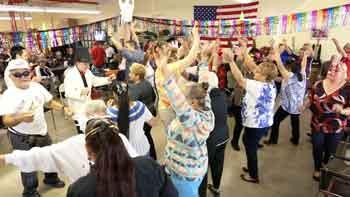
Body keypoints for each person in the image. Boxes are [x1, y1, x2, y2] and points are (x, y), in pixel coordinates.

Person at [0, 59, 67, 197]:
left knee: (48, 156)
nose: (23, 77)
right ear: (11, 77)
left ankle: (51, 178)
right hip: (21, 136)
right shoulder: (8, 95)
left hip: (41, 131)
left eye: (25, 73)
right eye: (17, 75)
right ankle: (30, 191)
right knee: (27, 163)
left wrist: (63, 108)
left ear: (30, 73)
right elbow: (6, 121)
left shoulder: (36, 87)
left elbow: (48, 102)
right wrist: (20, 118)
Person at [156, 43, 215, 197]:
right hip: (190, 166)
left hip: (185, 176)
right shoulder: (205, 106)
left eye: (186, 98)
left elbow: (178, 102)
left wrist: (165, 71)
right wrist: (203, 61)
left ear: (193, 103)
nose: (183, 99)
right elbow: (204, 84)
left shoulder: (193, 120)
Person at [66, 118, 178, 197]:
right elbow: (172, 194)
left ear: (88, 149)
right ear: (120, 142)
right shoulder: (148, 166)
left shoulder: (79, 191)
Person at [222, 39, 278, 184]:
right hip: (264, 123)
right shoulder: (269, 83)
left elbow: (240, 79)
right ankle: (251, 166)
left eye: (259, 72)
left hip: (255, 124)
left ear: (264, 76)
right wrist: (245, 49)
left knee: (249, 146)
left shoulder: (257, 86)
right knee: (250, 144)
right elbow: (253, 66)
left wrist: (231, 61)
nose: (255, 72)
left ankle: (253, 175)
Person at [303, 63, 350, 181]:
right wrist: (303, 106)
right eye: (330, 69)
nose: (331, 71)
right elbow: (310, 98)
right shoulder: (319, 84)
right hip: (317, 123)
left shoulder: (348, 88)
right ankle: (318, 168)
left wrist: (343, 111)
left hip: (336, 126)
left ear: (345, 74)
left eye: (336, 70)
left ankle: (326, 165)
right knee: (317, 147)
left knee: (331, 150)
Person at [64, 47, 113, 134]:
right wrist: (80, 92)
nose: (87, 66)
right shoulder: (70, 75)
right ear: (77, 63)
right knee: (82, 130)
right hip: (77, 107)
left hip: (88, 105)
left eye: (88, 64)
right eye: (85, 64)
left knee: (90, 129)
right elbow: (67, 92)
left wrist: (108, 79)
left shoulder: (87, 71)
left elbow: (94, 80)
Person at [264, 50, 309, 146]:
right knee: (295, 123)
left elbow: (281, 69)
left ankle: (273, 140)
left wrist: (277, 58)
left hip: (288, 106)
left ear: (289, 68)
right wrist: (305, 56)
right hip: (297, 106)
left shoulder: (290, 76)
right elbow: (303, 65)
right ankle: (295, 140)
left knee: (276, 120)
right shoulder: (302, 74)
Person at [198, 71, 229, 197]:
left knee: (203, 168)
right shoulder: (223, 94)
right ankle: (216, 188)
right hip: (224, 136)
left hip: (211, 140)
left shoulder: (205, 102)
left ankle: (202, 194)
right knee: (218, 164)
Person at [107, 81, 156, 156]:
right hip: (143, 148)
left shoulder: (110, 113)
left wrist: (108, 107)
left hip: (124, 153)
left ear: (114, 94)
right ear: (128, 92)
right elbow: (153, 123)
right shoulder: (140, 106)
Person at [128, 63, 157, 159]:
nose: (129, 75)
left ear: (137, 76)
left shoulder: (135, 89)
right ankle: (153, 157)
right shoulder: (147, 83)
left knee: (143, 138)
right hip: (150, 113)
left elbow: (131, 105)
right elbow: (154, 97)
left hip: (142, 118)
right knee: (149, 136)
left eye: (131, 73)